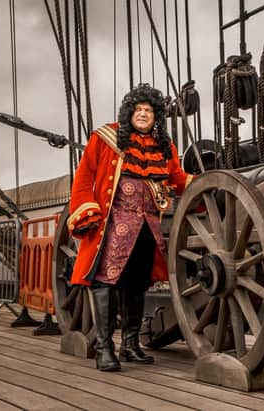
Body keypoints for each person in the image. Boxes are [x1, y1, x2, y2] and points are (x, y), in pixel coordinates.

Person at [66, 83, 193, 371]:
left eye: (149, 110)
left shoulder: (164, 147)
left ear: (156, 115)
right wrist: (87, 208)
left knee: (136, 284)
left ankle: (130, 344)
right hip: (114, 224)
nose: (144, 114)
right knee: (106, 282)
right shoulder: (105, 138)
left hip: (148, 225)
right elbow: (84, 178)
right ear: (129, 112)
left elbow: (177, 178)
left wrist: (202, 186)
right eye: (139, 109)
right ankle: (104, 347)